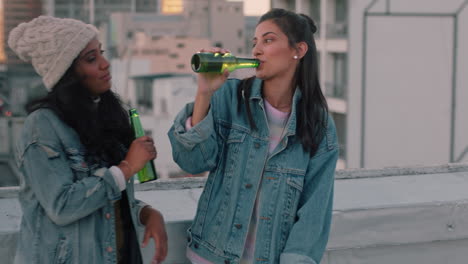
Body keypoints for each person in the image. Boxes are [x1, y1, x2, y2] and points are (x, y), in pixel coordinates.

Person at [168, 8, 338, 264]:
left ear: (299, 50)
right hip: (211, 257)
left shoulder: (319, 126)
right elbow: (191, 161)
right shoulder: (230, 97)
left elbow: (314, 212)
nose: (257, 50)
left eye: (268, 40)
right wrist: (204, 93)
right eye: (254, 42)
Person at [8, 16, 167, 264]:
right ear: (67, 72)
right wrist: (127, 168)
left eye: (101, 54)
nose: (105, 64)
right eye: (91, 59)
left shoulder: (102, 117)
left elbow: (104, 201)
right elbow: (62, 205)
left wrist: (144, 213)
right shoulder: (42, 125)